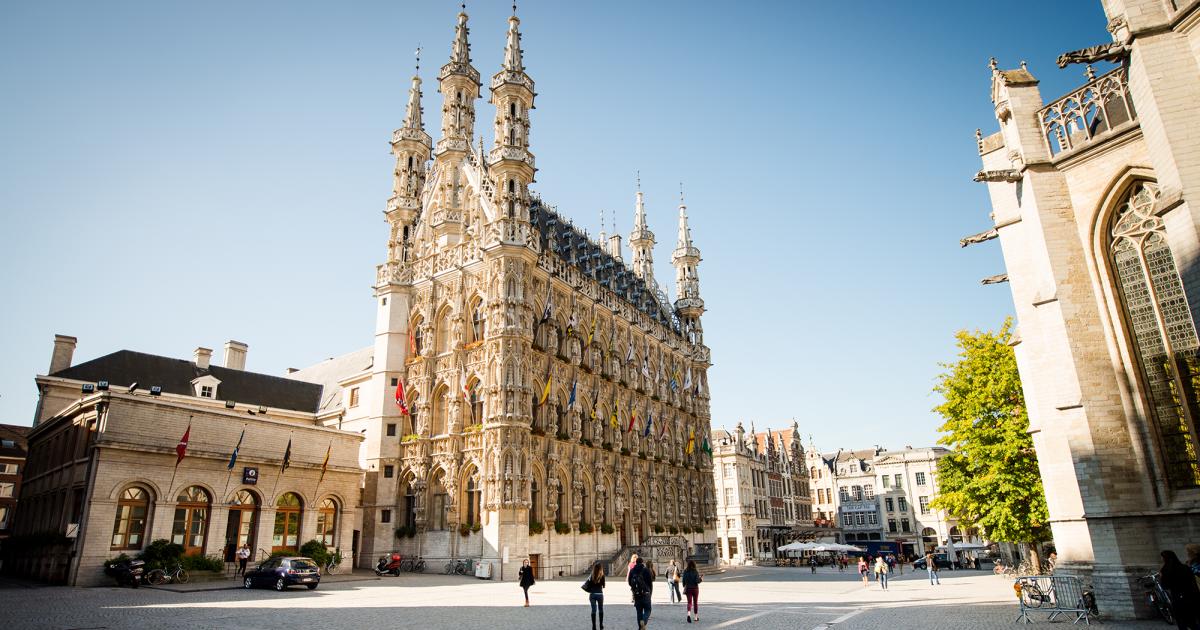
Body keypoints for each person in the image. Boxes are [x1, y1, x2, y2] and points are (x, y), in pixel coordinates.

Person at [1161, 550, 1200, 630]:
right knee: (1192, 621)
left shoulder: (1166, 570)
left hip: (1177, 597)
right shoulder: (1185, 567)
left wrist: (1162, 576)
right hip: (1190, 596)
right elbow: (1193, 582)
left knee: (1181, 622)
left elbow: (1165, 586)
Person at [628, 555, 654, 629]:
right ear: (642, 562)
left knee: (639, 612)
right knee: (648, 610)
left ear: (636, 562)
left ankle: (640, 627)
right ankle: (644, 621)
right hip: (646, 593)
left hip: (637, 594)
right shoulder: (646, 570)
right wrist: (650, 592)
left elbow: (629, 582)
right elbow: (650, 583)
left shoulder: (632, 570)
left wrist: (634, 588)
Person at [584, 562, 606, 630]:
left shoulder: (591, 575)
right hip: (599, 594)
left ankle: (594, 626)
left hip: (592, 594)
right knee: (601, 609)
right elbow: (604, 585)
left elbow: (588, 585)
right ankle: (601, 625)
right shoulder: (602, 576)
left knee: (593, 610)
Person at [682, 558, 702, 623]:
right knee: (695, 603)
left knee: (689, 602)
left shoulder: (685, 571)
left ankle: (688, 614)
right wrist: (701, 579)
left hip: (688, 588)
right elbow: (697, 581)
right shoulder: (695, 571)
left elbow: (683, 581)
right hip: (695, 588)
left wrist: (684, 585)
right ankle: (696, 617)